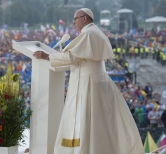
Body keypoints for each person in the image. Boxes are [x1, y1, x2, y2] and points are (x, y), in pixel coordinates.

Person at [33, 8, 144, 154]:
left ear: (84, 18)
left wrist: (47, 56)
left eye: (75, 19)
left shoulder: (89, 33)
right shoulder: (93, 32)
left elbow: (72, 57)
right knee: (97, 122)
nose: (74, 23)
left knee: (88, 120)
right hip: (95, 81)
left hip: (89, 84)